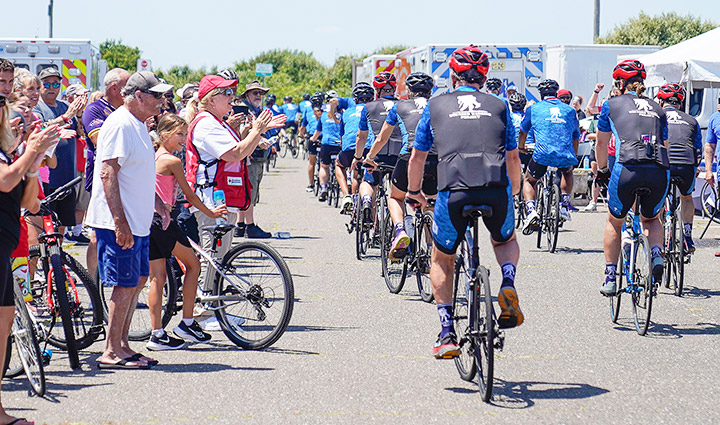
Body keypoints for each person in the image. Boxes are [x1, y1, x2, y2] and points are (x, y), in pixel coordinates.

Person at [406, 46, 523, 359]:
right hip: (495, 188)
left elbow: (418, 156)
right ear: (483, 78)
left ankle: (447, 331)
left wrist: (415, 192)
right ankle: (507, 282)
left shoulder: (436, 105)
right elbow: (513, 156)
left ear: (453, 76)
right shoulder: (500, 105)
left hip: (453, 190)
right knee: (504, 239)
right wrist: (513, 195)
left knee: (442, 257)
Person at [87, 71, 174, 369]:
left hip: (137, 220)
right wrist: (119, 221)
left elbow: (138, 174)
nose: (162, 101)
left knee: (136, 279)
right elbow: (108, 172)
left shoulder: (138, 124)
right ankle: (110, 350)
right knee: (124, 284)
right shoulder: (121, 123)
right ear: (138, 96)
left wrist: (159, 205)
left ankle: (123, 345)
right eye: (157, 95)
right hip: (118, 221)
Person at [1, 58, 62, 425]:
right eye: (2, 81)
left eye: (9, 81)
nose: (6, 88)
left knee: (5, 323)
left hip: (7, 238)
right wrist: (27, 153)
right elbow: (6, 180)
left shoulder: (11, 140)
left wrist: (36, 153)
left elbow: (27, 201)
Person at [184, 75, 279, 287]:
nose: (232, 97)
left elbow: (241, 152)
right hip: (211, 202)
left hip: (223, 199)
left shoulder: (217, 123)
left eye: (232, 92)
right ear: (210, 99)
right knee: (213, 258)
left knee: (220, 258)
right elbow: (235, 154)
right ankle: (204, 310)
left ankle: (215, 310)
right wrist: (256, 131)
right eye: (226, 93)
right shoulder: (207, 124)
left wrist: (255, 131)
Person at [146, 114, 227, 350]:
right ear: (164, 135)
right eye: (180, 134)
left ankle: (157, 333)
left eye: (185, 133)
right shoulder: (171, 161)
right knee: (194, 265)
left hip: (148, 221)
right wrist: (211, 213)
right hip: (163, 221)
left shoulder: (153, 157)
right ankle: (187, 323)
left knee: (157, 278)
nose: (184, 139)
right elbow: (190, 194)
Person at [596, 60, 669, 296]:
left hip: (628, 167)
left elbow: (601, 143)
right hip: (659, 170)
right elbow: (665, 145)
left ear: (619, 82)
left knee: (614, 222)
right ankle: (657, 255)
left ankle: (610, 277)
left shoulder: (611, 104)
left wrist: (603, 170)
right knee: (651, 220)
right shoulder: (659, 108)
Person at [364, 72, 435, 260]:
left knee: (396, 197)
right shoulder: (439, 106)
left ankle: (400, 231)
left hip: (409, 156)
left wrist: (370, 158)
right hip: (435, 158)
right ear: (430, 91)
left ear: (409, 91)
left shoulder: (399, 106)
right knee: (430, 204)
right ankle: (429, 251)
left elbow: (381, 138)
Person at [81, 68, 130, 281]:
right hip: (102, 178)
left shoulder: (129, 112)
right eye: (127, 88)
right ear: (114, 88)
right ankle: (93, 284)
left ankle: (119, 281)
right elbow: (99, 140)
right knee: (96, 235)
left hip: (126, 180)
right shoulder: (95, 109)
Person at [519, 79, 580, 233]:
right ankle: (564, 204)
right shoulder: (570, 110)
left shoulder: (534, 109)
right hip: (564, 153)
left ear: (541, 94)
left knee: (529, 180)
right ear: (556, 94)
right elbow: (576, 136)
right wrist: (574, 155)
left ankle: (531, 210)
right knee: (567, 171)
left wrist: (521, 147)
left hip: (542, 153)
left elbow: (523, 131)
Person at [33, 67, 86, 237]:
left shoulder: (65, 106)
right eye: (46, 83)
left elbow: (79, 132)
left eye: (55, 83)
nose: (51, 87)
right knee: (45, 225)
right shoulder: (37, 108)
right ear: (40, 86)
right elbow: (40, 128)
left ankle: (58, 259)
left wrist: (77, 116)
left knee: (63, 223)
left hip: (67, 177)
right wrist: (65, 118)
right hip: (48, 178)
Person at [352, 72, 402, 227]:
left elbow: (361, 136)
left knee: (368, 182)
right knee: (397, 197)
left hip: (377, 156)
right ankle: (398, 230)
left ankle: (367, 200)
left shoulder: (369, 107)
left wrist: (358, 157)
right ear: (393, 88)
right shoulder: (403, 106)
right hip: (399, 156)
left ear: (377, 90)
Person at [656, 83, 701, 254]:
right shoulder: (692, 120)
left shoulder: (657, 117)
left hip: (664, 163)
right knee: (687, 197)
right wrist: (696, 166)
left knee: (658, 201)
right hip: (686, 164)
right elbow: (698, 149)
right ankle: (687, 236)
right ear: (680, 103)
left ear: (661, 101)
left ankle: (658, 241)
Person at [232, 80, 274, 238]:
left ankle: (241, 225)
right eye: (255, 93)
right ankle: (249, 226)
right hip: (250, 156)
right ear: (247, 95)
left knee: (249, 191)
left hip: (255, 156)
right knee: (250, 191)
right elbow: (244, 131)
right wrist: (260, 141)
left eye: (261, 93)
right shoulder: (246, 111)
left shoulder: (256, 109)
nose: (259, 96)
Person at [335, 82, 376, 212]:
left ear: (355, 99)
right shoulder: (374, 110)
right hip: (370, 149)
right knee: (370, 179)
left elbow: (342, 136)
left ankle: (347, 196)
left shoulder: (347, 112)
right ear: (372, 99)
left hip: (350, 149)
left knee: (338, 164)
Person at [309, 92, 343, 202]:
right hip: (338, 145)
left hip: (326, 144)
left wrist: (311, 141)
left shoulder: (323, 116)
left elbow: (317, 132)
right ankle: (345, 184)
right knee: (341, 166)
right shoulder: (342, 115)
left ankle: (323, 187)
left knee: (324, 167)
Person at [300, 91, 324, 192]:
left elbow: (303, 125)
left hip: (312, 137)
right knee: (324, 164)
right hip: (324, 137)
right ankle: (325, 183)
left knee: (311, 162)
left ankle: (310, 184)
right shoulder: (327, 110)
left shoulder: (307, 109)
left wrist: (301, 135)